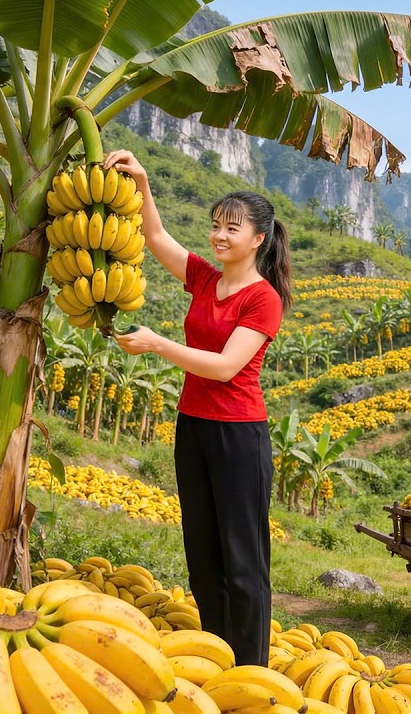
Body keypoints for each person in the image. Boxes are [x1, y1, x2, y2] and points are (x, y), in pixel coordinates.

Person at [106, 149, 287, 667]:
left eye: (232, 228)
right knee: (203, 552)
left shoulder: (262, 298)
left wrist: (159, 344)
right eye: (215, 226)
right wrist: (141, 181)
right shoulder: (207, 279)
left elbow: (227, 367)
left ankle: (251, 670)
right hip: (195, 428)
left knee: (243, 559)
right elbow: (157, 238)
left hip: (239, 435)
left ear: (259, 238)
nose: (219, 235)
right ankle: (216, 653)